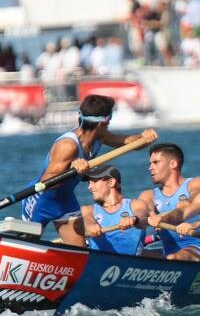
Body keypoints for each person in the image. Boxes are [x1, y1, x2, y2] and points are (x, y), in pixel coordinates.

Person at [22, 94, 157, 230]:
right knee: (23, 248)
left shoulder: (100, 136)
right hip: (42, 201)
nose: (109, 124)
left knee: (79, 251)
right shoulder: (68, 146)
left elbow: (127, 142)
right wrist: (71, 168)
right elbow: (46, 182)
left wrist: (143, 138)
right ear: (102, 123)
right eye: (109, 120)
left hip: (66, 200)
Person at [137, 142, 200, 257]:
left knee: (175, 257)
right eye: (150, 163)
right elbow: (141, 212)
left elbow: (198, 195)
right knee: (137, 255)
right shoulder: (148, 195)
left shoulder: (196, 182)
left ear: (173, 164)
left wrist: (188, 202)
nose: (150, 167)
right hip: (169, 253)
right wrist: (147, 216)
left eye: (155, 162)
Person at [64, 167, 151, 255]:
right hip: (99, 263)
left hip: (132, 265)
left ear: (111, 182)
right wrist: (90, 224)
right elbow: (87, 218)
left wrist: (134, 219)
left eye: (94, 181)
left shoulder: (136, 205)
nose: (89, 187)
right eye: (89, 183)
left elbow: (143, 218)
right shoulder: (87, 209)